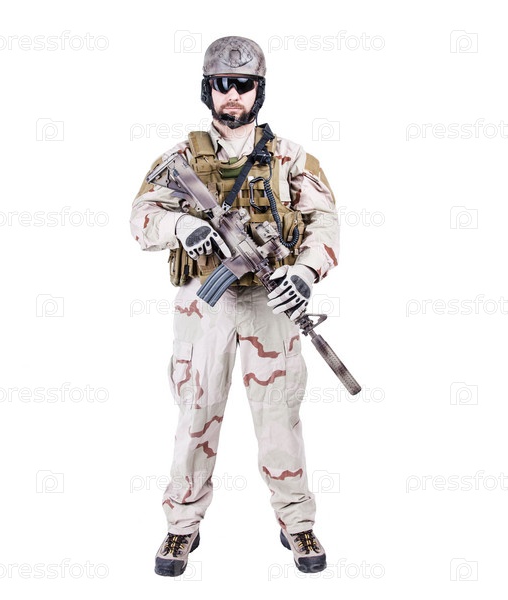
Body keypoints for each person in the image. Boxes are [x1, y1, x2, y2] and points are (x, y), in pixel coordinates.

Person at [130, 35, 340, 577]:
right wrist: (181, 224)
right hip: (205, 304)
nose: (233, 95)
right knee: (195, 411)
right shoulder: (180, 159)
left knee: (279, 416)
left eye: (244, 85)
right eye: (223, 84)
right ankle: (182, 523)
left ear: (258, 92)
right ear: (208, 89)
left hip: (271, 302)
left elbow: (324, 222)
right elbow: (141, 218)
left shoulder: (290, 157)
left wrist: (304, 271)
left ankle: (296, 520)